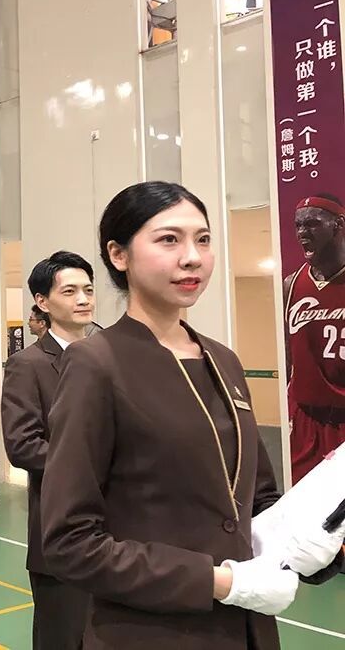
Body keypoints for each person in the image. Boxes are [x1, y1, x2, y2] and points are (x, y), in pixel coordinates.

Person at [40, 181, 343, 649]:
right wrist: (219, 582)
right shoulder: (96, 364)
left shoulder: (224, 361)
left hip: (248, 629)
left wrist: (311, 544)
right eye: (169, 239)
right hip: (150, 634)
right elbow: (69, 542)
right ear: (118, 255)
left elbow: (256, 498)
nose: (192, 257)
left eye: (203, 239)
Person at [1, 251, 96, 650]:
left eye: (88, 289)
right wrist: (90, 465)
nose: (83, 299)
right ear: (42, 301)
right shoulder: (28, 364)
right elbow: (22, 445)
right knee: (64, 636)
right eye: (70, 291)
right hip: (62, 529)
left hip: (123, 531)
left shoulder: (112, 356)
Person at [283, 194, 345, 482]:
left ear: (338, 225)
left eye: (311, 224)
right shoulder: (291, 284)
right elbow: (288, 354)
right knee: (302, 503)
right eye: (298, 225)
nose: (301, 233)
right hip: (306, 421)